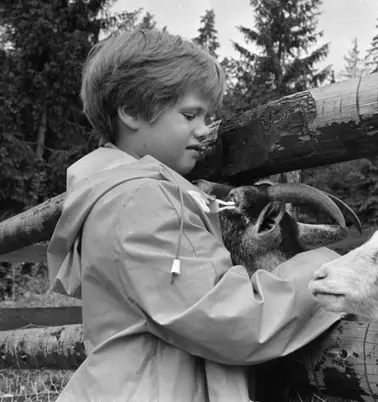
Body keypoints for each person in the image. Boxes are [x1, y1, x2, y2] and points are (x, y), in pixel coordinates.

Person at [47, 28, 342, 402]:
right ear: (131, 112)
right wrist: (327, 273)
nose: (205, 131)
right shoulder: (141, 200)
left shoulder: (113, 195)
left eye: (208, 116)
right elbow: (228, 320)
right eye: (190, 115)